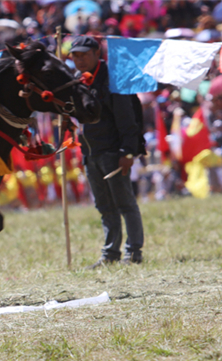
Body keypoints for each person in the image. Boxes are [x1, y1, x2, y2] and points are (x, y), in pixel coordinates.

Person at [69, 36, 145, 269]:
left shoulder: (114, 79)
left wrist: (128, 151)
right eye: (75, 56)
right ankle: (110, 254)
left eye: (83, 54)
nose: (79, 60)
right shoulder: (76, 80)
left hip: (114, 152)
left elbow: (127, 118)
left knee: (125, 204)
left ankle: (133, 254)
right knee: (104, 207)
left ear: (96, 53)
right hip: (90, 153)